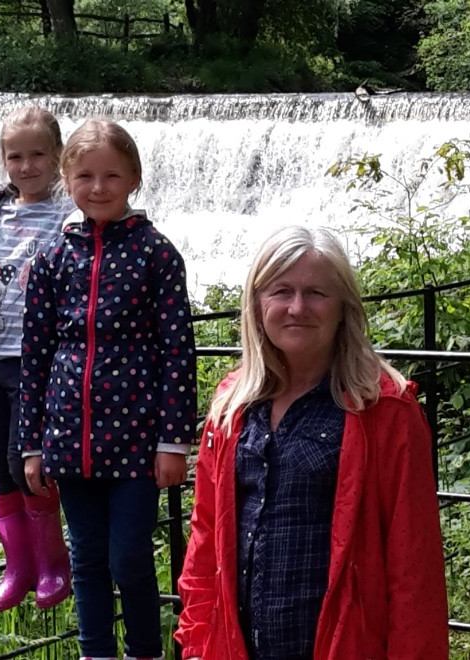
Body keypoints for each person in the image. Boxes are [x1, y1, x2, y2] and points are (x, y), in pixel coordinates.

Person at [175, 225, 449, 659]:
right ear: (257, 305)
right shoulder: (232, 405)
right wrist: (196, 644)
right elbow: (206, 543)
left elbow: (414, 564)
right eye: (281, 291)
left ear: (343, 308)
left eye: (316, 293)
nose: (297, 308)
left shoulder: (385, 410)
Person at [19, 119, 197, 660]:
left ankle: (145, 651)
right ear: (67, 179)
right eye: (86, 176)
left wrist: (174, 441)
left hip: (138, 442)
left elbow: (177, 350)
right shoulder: (53, 259)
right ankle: (95, 653)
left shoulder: (156, 254)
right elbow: (35, 355)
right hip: (69, 442)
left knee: (129, 558)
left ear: (134, 179)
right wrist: (31, 444)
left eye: (112, 176)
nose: (98, 188)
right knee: (87, 559)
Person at [0, 105, 73, 612]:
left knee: (25, 460)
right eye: (15, 157)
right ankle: (19, 568)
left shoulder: (68, 213)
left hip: (32, 359)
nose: (26, 166)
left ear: (58, 156)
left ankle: (54, 563)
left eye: (37, 155)